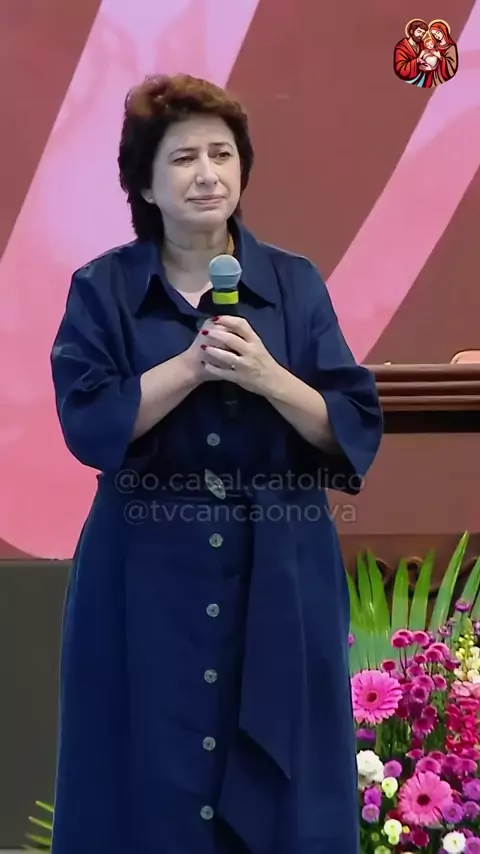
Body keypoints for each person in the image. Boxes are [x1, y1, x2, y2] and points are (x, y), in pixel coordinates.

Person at [49, 73, 383, 854]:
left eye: (223, 155)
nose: (208, 174)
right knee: (138, 775)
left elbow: (351, 424)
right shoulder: (102, 288)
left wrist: (268, 376)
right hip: (142, 570)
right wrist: (190, 366)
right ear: (145, 184)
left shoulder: (294, 283)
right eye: (184, 158)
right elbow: (89, 423)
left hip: (281, 568)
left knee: (288, 784)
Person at [394, 19, 428, 84]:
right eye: (419, 31)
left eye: (423, 33)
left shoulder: (422, 44)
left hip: (423, 77)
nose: (421, 35)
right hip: (409, 80)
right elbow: (401, 69)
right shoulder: (401, 47)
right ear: (412, 31)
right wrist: (417, 60)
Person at [429, 19, 459, 85]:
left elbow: (452, 66)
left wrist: (439, 56)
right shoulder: (436, 45)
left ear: (443, 31)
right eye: (434, 34)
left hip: (443, 75)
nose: (436, 36)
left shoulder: (451, 47)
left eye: (437, 32)